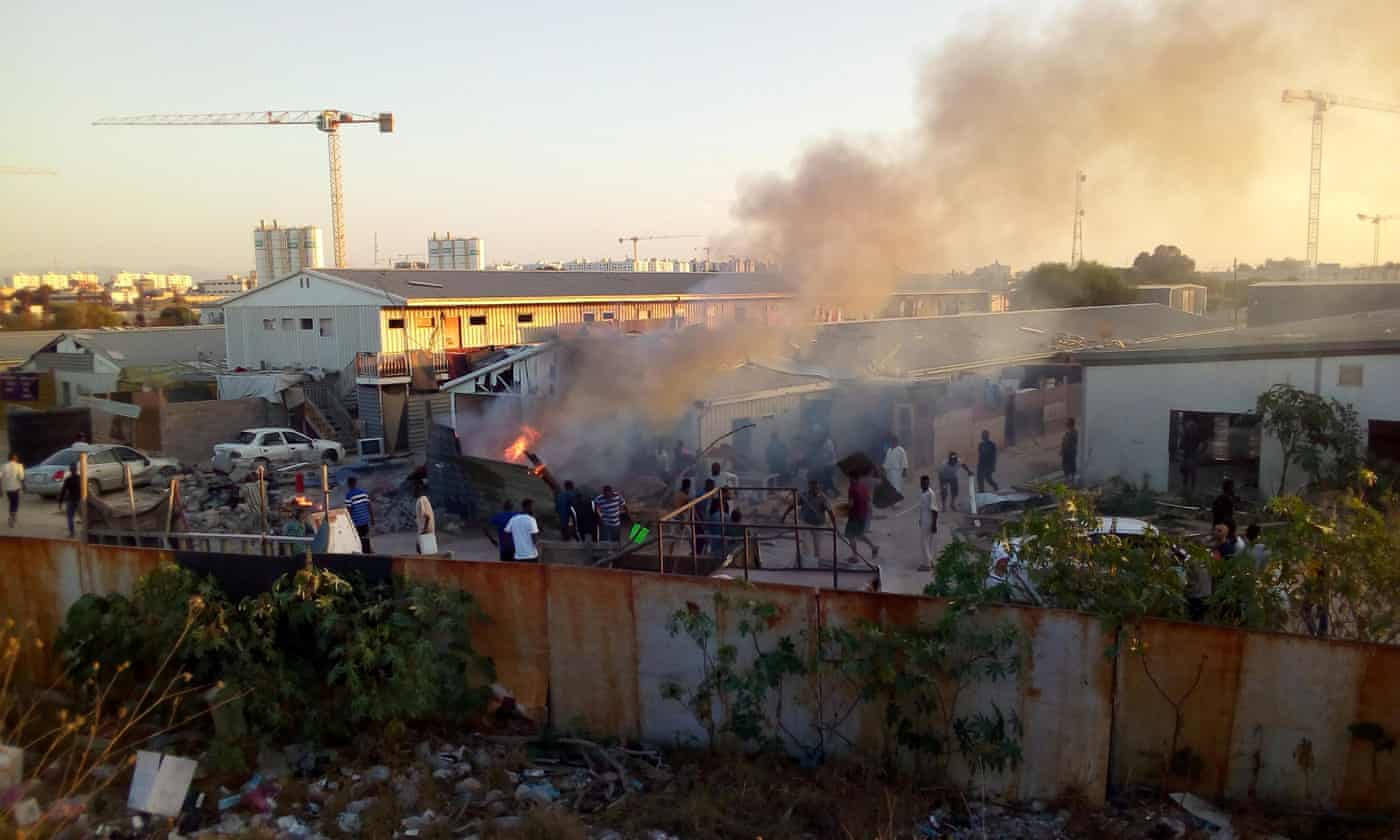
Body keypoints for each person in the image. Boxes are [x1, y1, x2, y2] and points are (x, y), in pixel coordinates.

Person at [783, 479, 836, 566]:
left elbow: (830, 512)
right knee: (806, 544)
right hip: (806, 522)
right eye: (812, 487)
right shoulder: (804, 496)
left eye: (816, 487)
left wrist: (834, 526)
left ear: (818, 487)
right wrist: (784, 516)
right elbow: (793, 505)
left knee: (817, 546)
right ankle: (804, 562)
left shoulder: (823, 498)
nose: (815, 489)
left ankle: (817, 562)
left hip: (819, 524)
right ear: (810, 487)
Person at [843, 469, 879, 563]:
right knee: (859, 534)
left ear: (853, 478)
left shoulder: (852, 488)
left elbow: (851, 504)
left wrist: (844, 511)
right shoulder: (863, 487)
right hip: (863, 514)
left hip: (854, 516)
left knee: (850, 536)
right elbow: (867, 500)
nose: (849, 480)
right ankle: (873, 547)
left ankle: (855, 556)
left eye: (849, 478)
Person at [345, 476, 374, 553]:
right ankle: (368, 554)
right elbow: (369, 506)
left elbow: (349, 510)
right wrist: (372, 518)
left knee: (359, 540)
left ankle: (364, 556)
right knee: (366, 539)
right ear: (355, 483)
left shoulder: (349, 495)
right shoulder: (364, 493)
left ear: (349, 484)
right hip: (365, 520)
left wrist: (348, 523)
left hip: (357, 522)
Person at [918, 474, 939, 570]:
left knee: (924, 543)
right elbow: (922, 508)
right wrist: (920, 519)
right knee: (928, 543)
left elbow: (935, 510)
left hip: (929, 520)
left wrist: (934, 524)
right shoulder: (922, 492)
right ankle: (931, 562)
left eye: (926, 483)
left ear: (928, 483)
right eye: (922, 482)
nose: (924, 484)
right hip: (924, 520)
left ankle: (927, 565)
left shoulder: (931, 494)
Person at [57, 463, 81, 538]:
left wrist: (60, 502)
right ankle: (87, 532)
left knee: (70, 517)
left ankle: (72, 533)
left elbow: (63, 491)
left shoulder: (68, 479)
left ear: (70, 470)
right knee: (84, 517)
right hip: (79, 499)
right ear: (76, 470)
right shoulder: (80, 478)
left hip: (71, 499)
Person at [2, 453, 24, 528]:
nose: (17, 458)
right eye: (16, 457)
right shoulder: (19, 466)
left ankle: (11, 517)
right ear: (14, 458)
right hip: (16, 488)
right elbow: (21, 477)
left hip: (8, 488)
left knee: (11, 503)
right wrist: (24, 486)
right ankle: (12, 518)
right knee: (15, 503)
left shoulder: (4, 466)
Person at [415, 485, 436, 554]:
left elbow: (427, 516)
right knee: (428, 553)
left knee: (422, 552)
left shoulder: (420, 500)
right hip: (428, 531)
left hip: (424, 532)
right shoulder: (425, 499)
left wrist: (424, 530)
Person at [1061, 418, 1079, 486]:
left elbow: (1068, 443)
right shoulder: (1070, 432)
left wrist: (1063, 450)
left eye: (1067, 423)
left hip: (1069, 452)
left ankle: (1070, 480)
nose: (1066, 424)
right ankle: (1070, 480)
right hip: (1069, 452)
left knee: (1068, 465)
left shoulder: (1073, 433)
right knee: (1069, 465)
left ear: (1070, 424)